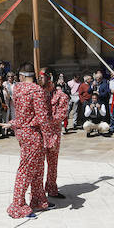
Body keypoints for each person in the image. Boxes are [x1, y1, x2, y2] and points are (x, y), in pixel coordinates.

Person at [0, 63, 49, 218]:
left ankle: (38, 199)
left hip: (22, 131)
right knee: (27, 168)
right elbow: (42, 117)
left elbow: (21, 115)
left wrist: (14, 123)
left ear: (21, 76)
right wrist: (48, 134)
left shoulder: (18, 89)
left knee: (37, 167)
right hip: (32, 133)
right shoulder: (36, 90)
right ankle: (18, 205)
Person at [41, 68, 69, 202]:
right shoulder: (37, 94)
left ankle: (52, 188)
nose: (39, 80)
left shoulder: (61, 96)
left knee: (52, 164)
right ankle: (37, 192)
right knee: (38, 165)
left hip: (52, 134)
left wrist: (48, 118)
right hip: (39, 134)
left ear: (50, 78)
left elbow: (61, 114)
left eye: (42, 77)